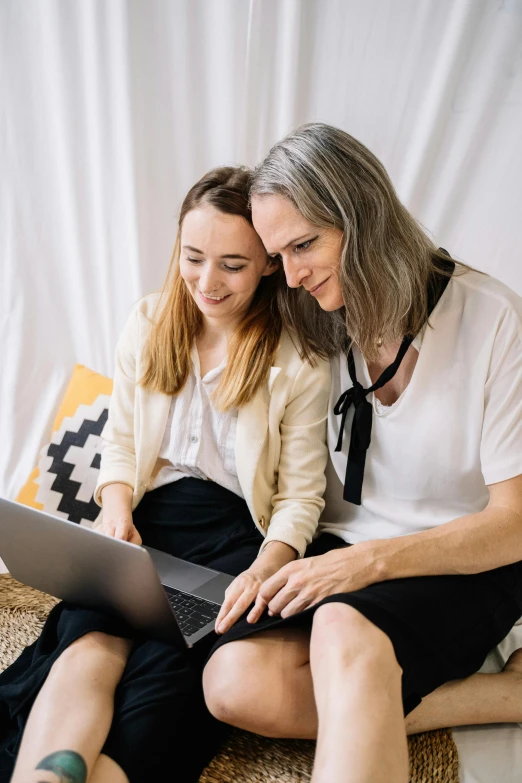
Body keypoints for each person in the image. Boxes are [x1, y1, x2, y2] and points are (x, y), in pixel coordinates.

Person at [202, 125, 522, 783]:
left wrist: (363, 566)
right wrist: (281, 558)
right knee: (232, 679)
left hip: (462, 559)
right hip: (349, 550)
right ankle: (502, 697)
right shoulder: (320, 316)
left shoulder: (492, 318)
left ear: (362, 216)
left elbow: (514, 523)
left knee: (343, 633)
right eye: (275, 253)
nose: (289, 274)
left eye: (304, 245)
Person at [0, 166, 331, 783]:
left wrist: (266, 566)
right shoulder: (150, 322)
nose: (207, 282)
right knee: (87, 644)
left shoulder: (299, 361)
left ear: (267, 263)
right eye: (193, 257)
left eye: (232, 264)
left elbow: (301, 497)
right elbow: (122, 443)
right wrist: (116, 507)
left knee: (163, 674)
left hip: (236, 543)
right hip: (148, 524)